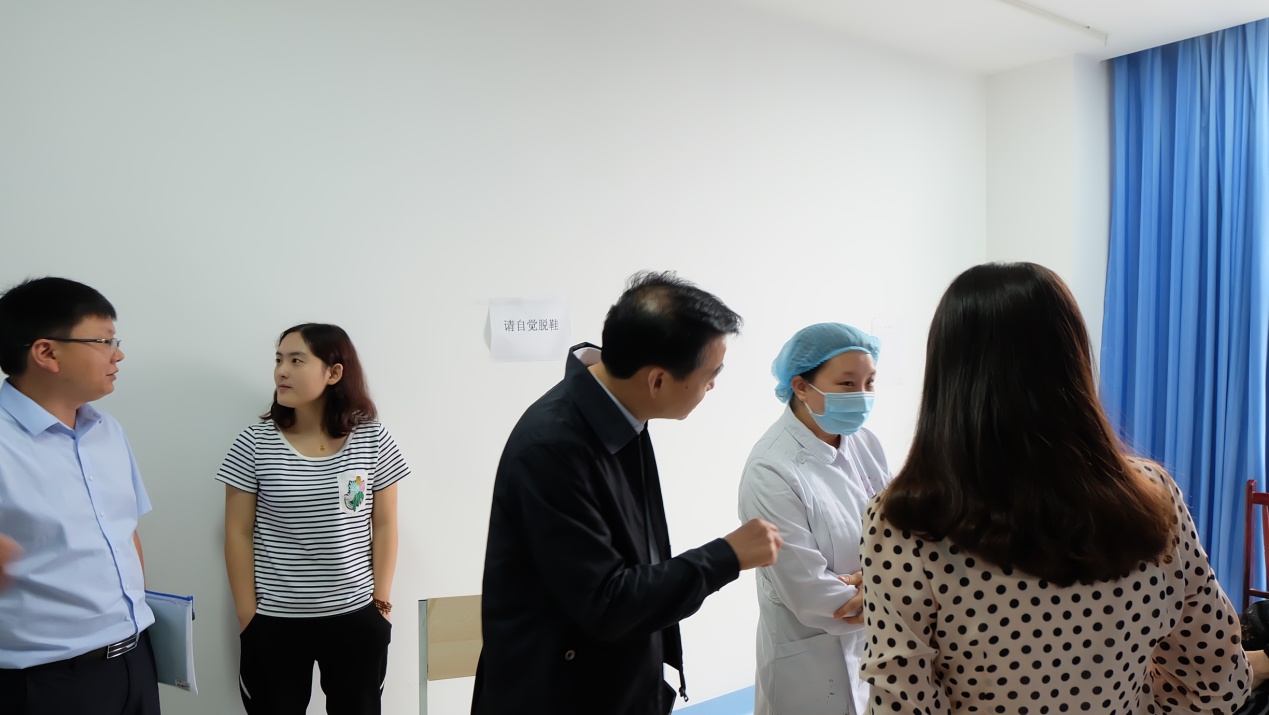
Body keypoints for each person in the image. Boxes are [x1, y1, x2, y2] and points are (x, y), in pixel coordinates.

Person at [860, 262, 1251, 714]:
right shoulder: (1151, 494)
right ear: (1074, 361)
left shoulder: (902, 522)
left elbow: (901, 702)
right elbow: (1218, 678)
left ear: (946, 377)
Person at [472, 271, 783, 715]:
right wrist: (726, 556)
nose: (712, 386)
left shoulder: (618, 411)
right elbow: (606, 602)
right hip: (559, 697)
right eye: (710, 375)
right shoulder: (551, 449)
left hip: (616, 684)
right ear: (657, 381)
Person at [218, 323, 410, 715]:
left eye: (296, 360)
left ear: (334, 372)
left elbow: (386, 524)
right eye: (278, 360)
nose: (281, 371)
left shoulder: (371, 439)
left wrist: (381, 605)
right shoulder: (254, 443)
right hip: (275, 622)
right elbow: (237, 532)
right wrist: (247, 616)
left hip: (356, 618)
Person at [0, 276, 160, 715]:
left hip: (135, 660)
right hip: (45, 682)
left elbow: (126, 533)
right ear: (46, 352)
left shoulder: (107, 431)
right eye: (104, 341)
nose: (117, 354)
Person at [738, 322, 890, 715]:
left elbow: (896, 537)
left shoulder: (866, 443)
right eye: (847, 383)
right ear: (801, 386)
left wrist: (882, 587)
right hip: (808, 667)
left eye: (869, 383)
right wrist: (892, 594)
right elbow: (810, 593)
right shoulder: (771, 469)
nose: (862, 396)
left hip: (877, 650)